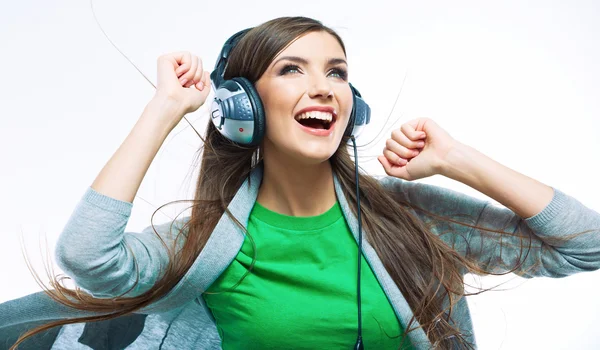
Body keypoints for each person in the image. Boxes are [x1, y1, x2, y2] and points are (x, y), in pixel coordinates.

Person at [1, 16, 599, 350]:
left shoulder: (410, 219)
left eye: (337, 72)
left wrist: (459, 159)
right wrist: (164, 108)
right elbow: (87, 257)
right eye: (292, 69)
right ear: (243, 109)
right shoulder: (208, 240)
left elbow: (585, 247)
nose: (325, 87)